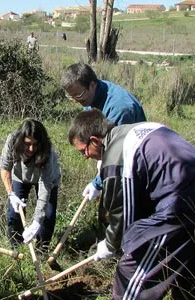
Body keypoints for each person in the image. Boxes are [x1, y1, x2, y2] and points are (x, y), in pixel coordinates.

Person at [67, 109, 195, 300]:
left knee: (131, 269)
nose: (85, 156)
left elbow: (124, 215)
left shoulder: (115, 156)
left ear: (95, 140)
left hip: (180, 200)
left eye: (83, 150)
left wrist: (110, 244)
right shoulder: (137, 130)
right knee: (193, 271)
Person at [61, 63, 147, 237]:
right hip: (114, 158)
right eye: (72, 97)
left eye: (78, 95)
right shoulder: (92, 96)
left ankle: (117, 245)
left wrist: (97, 183)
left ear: (92, 85)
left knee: (121, 214)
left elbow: (117, 156)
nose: (76, 101)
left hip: (133, 166)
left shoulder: (120, 110)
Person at [0, 119, 61, 259]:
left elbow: (45, 188)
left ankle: (41, 252)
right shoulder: (12, 141)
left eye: (35, 144)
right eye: (27, 144)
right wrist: (11, 193)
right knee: (14, 214)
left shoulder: (47, 151)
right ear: (21, 140)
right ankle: (17, 251)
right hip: (20, 177)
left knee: (48, 215)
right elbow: (5, 167)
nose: (31, 149)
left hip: (47, 180)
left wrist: (36, 222)